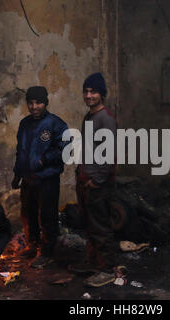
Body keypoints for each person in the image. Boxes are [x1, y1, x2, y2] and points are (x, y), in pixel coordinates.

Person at [12, 86, 69, 269]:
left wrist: (44, 160)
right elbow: (19, 151)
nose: (34, 106)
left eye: (38, 102)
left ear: (46, 103)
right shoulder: (24, 124)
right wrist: (17, 174)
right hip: (28, 179)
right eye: (31, 102)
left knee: (47, 215)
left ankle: (47, 252)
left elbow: (65, 149)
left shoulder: (56, 124)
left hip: (47, 179)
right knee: (28, 214)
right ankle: (32, 245)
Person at [72, 73, 121, 287]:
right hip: (85, 178)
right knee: (89, 225)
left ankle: (107, 269)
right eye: (86, 91)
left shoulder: (105, 118)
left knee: (100, 227)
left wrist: (97, 179)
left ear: (102, 94)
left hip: (97, 183)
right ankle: (94, 262)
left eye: (93, 91)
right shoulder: (89, 117)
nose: (89, 95)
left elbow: (109, 154)